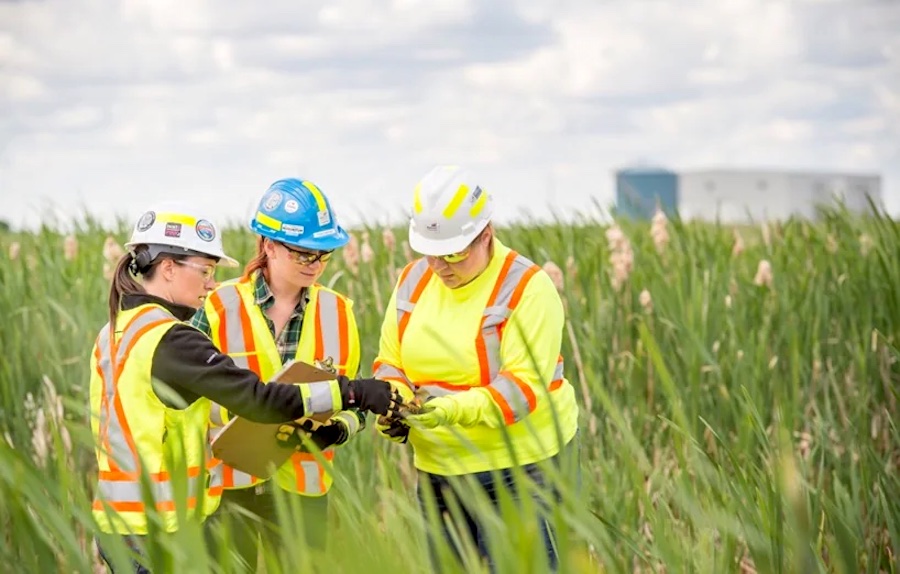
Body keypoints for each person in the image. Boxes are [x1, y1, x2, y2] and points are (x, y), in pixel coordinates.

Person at [90, 203, 400, 573]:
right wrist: (352, 392)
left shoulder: (118, 328)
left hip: (121, 521)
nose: (210, 282)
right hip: (159, 525)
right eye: (204, 271)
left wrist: (340, 425)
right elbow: (258, 399)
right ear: (168, 268)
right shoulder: (173, 340)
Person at [372, 165, 580, 572]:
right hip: (439, 474)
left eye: (453, 253)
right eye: (430, 252)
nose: (440, 266)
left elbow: (520, 391)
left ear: (486, 234)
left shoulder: (527, 288)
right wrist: (392, 402)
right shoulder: (413, 280)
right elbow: (390, 361)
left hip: (519, 470)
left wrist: (445, 411)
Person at [190, 178, 364, 568]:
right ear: (268, 244)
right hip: (229, 487)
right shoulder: (218, 306)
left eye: (324, 254)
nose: (316, 265)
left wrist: (340, 428)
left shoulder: (339, 313)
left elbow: (356, 401)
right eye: (304, 254)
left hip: (304, 490)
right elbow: (184, 397)